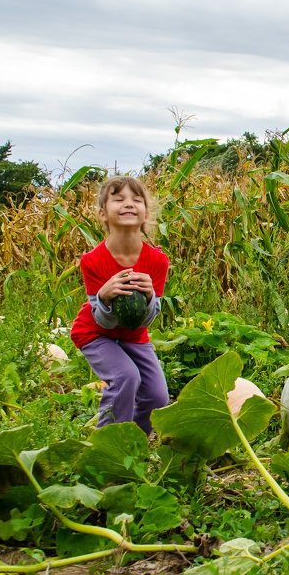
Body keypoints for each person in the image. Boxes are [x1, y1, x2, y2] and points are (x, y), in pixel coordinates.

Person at [70, 176, 170, 434]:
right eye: (118, 199)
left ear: (146, 213)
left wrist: (149, 298)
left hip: (135, 336)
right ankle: (107, 451)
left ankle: (132, 446)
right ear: (103, 213)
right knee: (125, 377)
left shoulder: (157, 261)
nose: (128, 204)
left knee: (157, 396)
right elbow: (102, 319)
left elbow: (148, 319)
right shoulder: (92, 261)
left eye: (136, 200)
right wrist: (104, 297)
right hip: (95, 333)